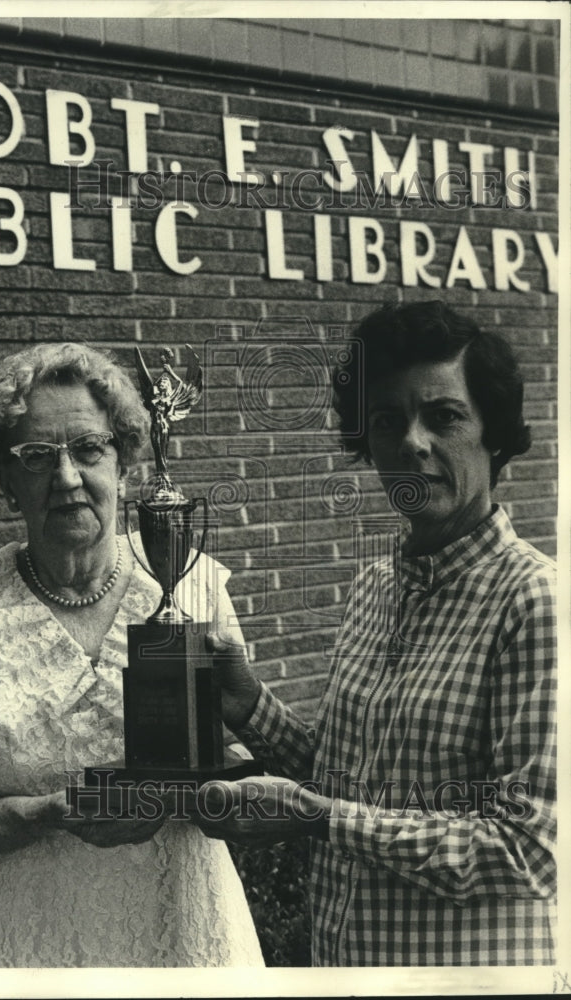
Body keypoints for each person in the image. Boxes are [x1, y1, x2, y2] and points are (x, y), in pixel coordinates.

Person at [194, 300, 557, 966]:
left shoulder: (536, 601)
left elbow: (530, 851)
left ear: (495, 435)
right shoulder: (373, 587)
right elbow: (350, 783)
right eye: (388, 421)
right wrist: (248, 706)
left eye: (444, 417)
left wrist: (317, 817)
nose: (412, 442)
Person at [0, 342, 264, 968]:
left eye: (88, 449)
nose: (68, 478)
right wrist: (41, 813)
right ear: (6, 479)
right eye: (36, 456)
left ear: (125, 463)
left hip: (182, 921)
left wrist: (208, 790)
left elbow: (242, 751)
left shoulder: (193, 581)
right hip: (29, 937)